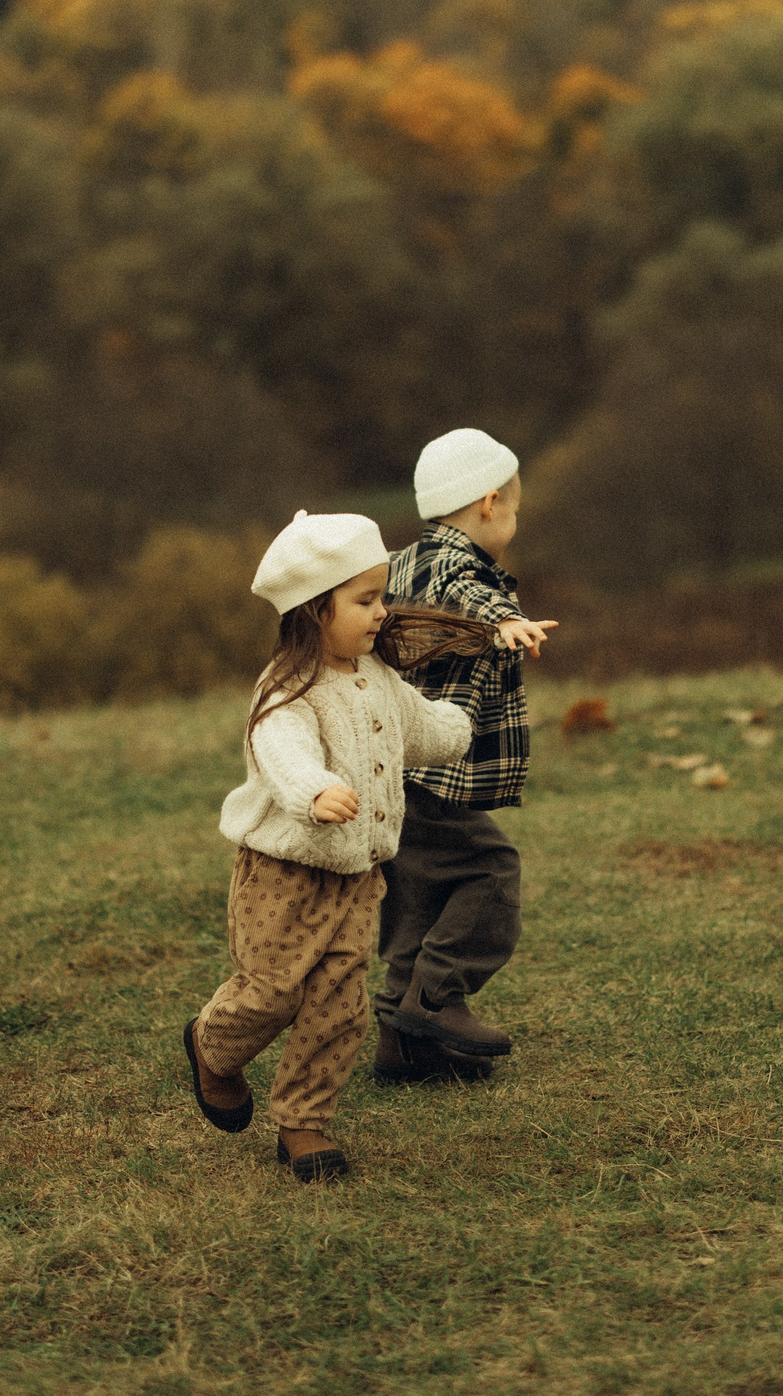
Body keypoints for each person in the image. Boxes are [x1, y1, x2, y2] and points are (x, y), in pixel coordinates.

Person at [180, 512, 490, 1181]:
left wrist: (466, 717)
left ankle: (304, 1123)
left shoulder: (379, 679)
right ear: (312, 609)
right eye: (363, 599)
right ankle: (212, 1044)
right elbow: (280, 750)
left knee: (338, 1004)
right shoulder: (287, 688)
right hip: (283, 874)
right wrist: (314, 789)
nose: (381, 612)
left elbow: (425, 729)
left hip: (357, 875)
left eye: (381, 594)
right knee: (272, 992)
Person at [374, 429, 557, 1083]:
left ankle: (401, 1044)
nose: (513, 520)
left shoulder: (399, 562)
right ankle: (435, 996)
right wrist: (503, 620)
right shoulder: (461, 568)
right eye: (513, 509)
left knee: (419, 890)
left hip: (391, 764)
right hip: (432, 771)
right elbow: (470, 594)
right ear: (488, 503)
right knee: (490, 867)